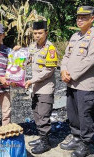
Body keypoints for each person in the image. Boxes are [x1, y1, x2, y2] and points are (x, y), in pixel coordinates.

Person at [60, 6, 94, 157]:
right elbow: (66, 56)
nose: (79, 20)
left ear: (92, 19)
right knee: (72, 114)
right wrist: (63, 70)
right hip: (71, 83)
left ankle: (85, 144)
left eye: (84, 17)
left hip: (85, 85)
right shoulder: (74, 36)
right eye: (78, 17)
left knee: (85, 115)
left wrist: (71, 74)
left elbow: (89, 60)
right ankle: (75, 137)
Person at [24, 21, 58, 154]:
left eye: (40, 33)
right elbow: (26, 58)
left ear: (46, 33)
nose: (37, 35)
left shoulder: (50, 49)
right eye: (35, 33)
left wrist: (31, 80)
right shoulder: (33, 46)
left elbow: (48, 71)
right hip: (35, 88)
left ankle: (46, 142)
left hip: (45, 88)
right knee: (37, 114)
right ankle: (41, 138)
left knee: (43, 116)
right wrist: (18, 54)